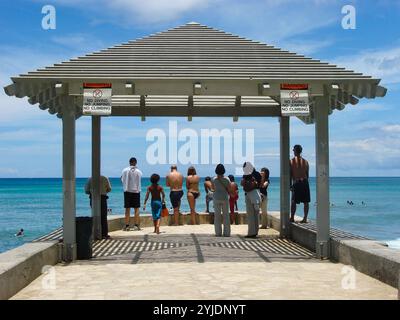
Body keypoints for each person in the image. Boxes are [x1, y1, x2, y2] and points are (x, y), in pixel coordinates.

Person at [85, 175, 112, 239]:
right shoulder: (105, 178)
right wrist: (104, 191)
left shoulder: (90, 178)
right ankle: (104, 234)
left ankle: (94, 233)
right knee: (103, 216)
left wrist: (91, 192)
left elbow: (86, 190)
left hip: (93, 198)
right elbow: (109, 189)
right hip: (103, 198)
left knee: (94, 215)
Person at [290, 145, 310, 223]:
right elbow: (307, 174)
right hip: (304, 182)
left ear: (295, 151)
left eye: (293, 150)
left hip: (297, 182)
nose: (293, 151)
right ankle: (305, 218)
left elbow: (290, 174)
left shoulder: (291, 161)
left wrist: (290, 185)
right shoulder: (306, 162)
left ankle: (292, 217)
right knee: (306, 201)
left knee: (294, 201)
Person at [121, 157, 142, 231]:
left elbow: (122, 180)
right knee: (136, 209)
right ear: (135, 162)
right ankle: (136, 225)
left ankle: (127, 226)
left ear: (129, 162)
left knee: (127, 209)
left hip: (127, 191)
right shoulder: (139, 171)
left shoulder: (124, 170)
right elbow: (139, 181)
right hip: (136, 191)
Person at [241, 162, 261, 238]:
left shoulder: (246, 175)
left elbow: (242, 184)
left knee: (250, 215)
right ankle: (255, 232)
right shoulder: (257, 174)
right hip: (256, 194)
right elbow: (259, 185)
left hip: (249, 194)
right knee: (256, 214)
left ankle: (251, 233)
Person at [212, 164, 232, 237]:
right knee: (226, 215)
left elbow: (213, 188)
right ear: (223, 170)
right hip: (224, 198)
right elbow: (229, 189)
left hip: (216, 197)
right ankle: (226, 233)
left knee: (217, 216)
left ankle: (218, 233)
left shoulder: (214, 179)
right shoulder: (227, 179)